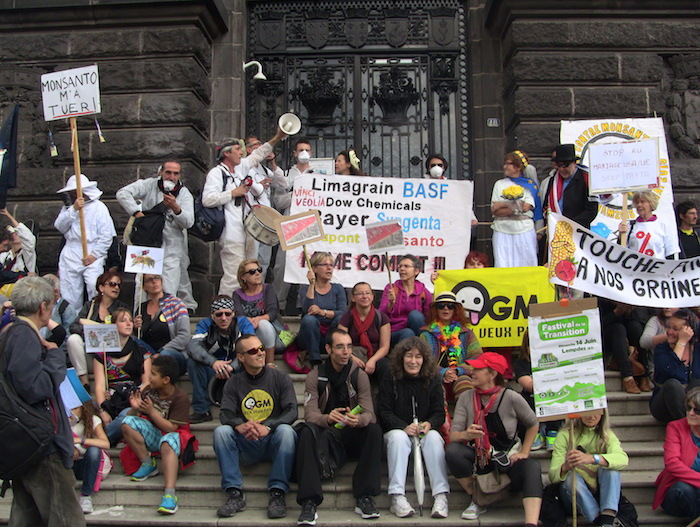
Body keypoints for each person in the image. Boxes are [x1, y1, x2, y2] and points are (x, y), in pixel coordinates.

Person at [5, 276, 86, 526]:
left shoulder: (9, 333)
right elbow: (36, 387)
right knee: (65, 518)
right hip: (41, 445)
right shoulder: (24, 336)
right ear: (43, 307)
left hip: (24, 442)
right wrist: (53, 356)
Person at [295, 329, 382, 525]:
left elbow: (369, 413)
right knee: (306, 431)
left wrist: (357, 420)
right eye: (340, 347)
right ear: (328, 349)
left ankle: (364, 496)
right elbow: (310, 414)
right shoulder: (315, 376)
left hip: (349, 433)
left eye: (349, 347)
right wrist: (327, 418)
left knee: (374, 431)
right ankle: (309, 501)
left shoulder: (358, 375)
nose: (345, 352)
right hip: (325, 433)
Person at [445, 352, 542, 524]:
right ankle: (478, 499)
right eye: (472, 368)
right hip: (480, 457)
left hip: (506, 458)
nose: (472, 372)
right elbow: (453, 436)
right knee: (453, 451)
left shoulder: (511, 397)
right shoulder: (467, 397)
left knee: (532, 467)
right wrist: (466, 434)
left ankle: (531, 522)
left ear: (492, 374)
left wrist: (525, 452)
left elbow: (533, 423)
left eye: (478, 369)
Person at [213, 334, 297, 519]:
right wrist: (239, 425)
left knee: (287, 431)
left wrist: (268, 426)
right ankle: (234, 493)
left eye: (261, 348)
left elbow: (292, 412)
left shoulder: (281, 378)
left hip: (272, 440)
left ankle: (277, 492)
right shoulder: (233, 382)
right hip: (247, 441)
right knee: (221, 432)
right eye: (253, 351)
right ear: (241, 358)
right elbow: (225, 413)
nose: (260, 353)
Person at [203, 129, 286, 296]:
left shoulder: (239, 169)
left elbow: (258, 155)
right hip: (231, 233)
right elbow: (208, 199)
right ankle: (224, 312)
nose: (241, 152)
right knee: (233, 276)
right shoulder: (217, 173)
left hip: (248, 232)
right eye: (237, 149)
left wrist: (278, 137)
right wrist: (233, 193)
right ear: (227, 154)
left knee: (250, 275)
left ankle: (245, 310)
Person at [378, 337, 450, 519]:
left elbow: (439, 412)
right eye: (409, 356)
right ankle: (397, 496)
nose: (413, 361)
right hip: (398, 430)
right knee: (398, 438)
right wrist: (402, 427)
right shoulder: (390, 378)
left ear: (424, 359)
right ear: (401, 358)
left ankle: (440, 496)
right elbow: (384, 411)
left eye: (418, 357)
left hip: (423, 430)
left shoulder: (433, 379)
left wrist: (430, 424)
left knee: (434, 438)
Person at [116, 161, 197, 312]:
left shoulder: (184, 194)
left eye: (175, 173)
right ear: (161, 172)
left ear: (179, 175)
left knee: (168, 286)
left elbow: (189, 222)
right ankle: (139, 324)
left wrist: (175, 207)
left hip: (171, 247)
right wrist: (136, 213)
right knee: (142, 285)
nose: (171, 176)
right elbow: (122, 193)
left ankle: (164, 324)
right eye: (168, 172)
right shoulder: (149, 185)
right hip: (147, 243)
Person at [121, 355, 192, 515]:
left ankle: (169, 494)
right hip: (154, 434)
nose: (149, 378)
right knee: (127, 422)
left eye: (153, 374)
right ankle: (148, 463)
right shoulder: (149, 390)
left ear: (166, 379)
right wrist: (135, 408)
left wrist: (152, 412)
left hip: (172, 437)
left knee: (167, 440)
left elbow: (172, 429)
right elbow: (136, 417)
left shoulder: (180, 398)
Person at [549, 410, 629, 526]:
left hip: (600, 493)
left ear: (602, 413)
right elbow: (552, 475)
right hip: (572, 497)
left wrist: (593, 458)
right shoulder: (565, 435)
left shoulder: (607, 434)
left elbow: (623, 459)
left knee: (611, 470)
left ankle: (607, 519)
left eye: (596, 412)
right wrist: (565, 467)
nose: (591, 416)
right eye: (587, 412)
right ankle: (599, 521)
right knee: (571, 479)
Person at [187, 295, 253, 424]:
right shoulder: (205, 324)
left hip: (237, 368)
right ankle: (202, 410)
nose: (223, 318)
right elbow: (193, 347)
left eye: (227, 314)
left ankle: (244, 408)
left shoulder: (243, 323)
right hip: (213, 368)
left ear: (233, 313)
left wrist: (232, 366)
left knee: (251, 357)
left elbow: (251, 346)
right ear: (212, 315)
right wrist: (214, 363)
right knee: (192, 361)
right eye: (219, 315)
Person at [54, 174, 116, 312]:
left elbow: (106, 235)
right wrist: (74, 210)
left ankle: (93, 316)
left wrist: (94, 255)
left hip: (92, 250)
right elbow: (60, 226)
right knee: (70, 291)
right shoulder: (68, 209)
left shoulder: (99, 207)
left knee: (94, 285)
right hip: (71, 250)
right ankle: (71, 323)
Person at [93, 307, 152, 446]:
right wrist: (103, 410)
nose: (128, 324)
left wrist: (135, 399)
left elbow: (146, 383)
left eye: (130, 320)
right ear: (113, 325)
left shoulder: (143, 352)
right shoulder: (102, 354)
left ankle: (102, 440)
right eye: (123, 320)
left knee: (124, 418)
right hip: (109, 398)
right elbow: (100, 385)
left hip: (131, 398)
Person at [271, 138, 314, 313]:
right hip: (289, 224)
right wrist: (296, 192)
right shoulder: (287, 175)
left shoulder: (318, 174)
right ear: (295, 153)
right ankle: (278, 305)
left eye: (307, 150)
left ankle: (302, 304)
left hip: (310, 225)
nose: (304, 152)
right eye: (300, 149)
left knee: (308, 265)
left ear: (311, 153)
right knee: (282, 265)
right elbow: (278, 202)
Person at [66, 271, 129, 387]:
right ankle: (84, 382)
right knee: (73, 339)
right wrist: (91, 333)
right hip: (92, 356)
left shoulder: (122, 308)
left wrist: (91, 324)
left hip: (111, 358)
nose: (116, 287)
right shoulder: (90, 306)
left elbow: (124, 332)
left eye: (118, 285)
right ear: (101, 287)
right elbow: (73, 327)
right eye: (112, 284)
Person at [420, 291, 482, 400]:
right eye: (441, 306)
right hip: (435, 376)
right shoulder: (426, 334)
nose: (445, 309)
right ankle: (443, 417)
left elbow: (477, 358)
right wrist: (443, 372)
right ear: (435, 310)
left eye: (450, 306)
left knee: (465, 384)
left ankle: (466, 416)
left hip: (461, 376)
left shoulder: (467, 333)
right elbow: (423, 361)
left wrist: (458, 370)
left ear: (455, 310)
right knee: (434, 387)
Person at [653, 386, 700, 519]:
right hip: (677, 492)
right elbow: (672, 464)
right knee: (683, 488)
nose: (690, 413)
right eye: (688, 408)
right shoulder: (676, 427)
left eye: (697, 411)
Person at [513, 329, 561, 451]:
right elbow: (528, 385)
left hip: (551, 399)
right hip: (531, 399)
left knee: (557, 398)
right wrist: (549, 381)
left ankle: (552, 432)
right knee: (523, 402)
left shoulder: (556, 362)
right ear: (526, 348)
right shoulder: (521, 363)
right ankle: (536, 433)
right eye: (533, 346)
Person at [134, 274, 190, 375]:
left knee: (164, 356)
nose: (154, 281)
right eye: (149, 280)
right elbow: (138, 339)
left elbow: (184, 337)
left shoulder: (176, 304)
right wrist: (135, 328)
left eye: (157, 278)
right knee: (131, 339)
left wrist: (161, 352)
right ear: (143, 286)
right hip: (149, 353)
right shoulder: (141, 309)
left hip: (172, 353)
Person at [651, 309, 700, 423]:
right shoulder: (661, 349)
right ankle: (689, 427)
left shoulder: (697, 349)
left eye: (675, 329)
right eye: (669, 327)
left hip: (692, 405)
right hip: (664, 405)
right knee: (672, 385)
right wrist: (681, 342)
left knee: (697, 383)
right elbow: (670, 370)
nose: (670, 332)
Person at [297, 251, 346, 366]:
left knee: (341, 318)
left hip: (329, 336)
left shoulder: (338, 288)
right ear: (314, 269)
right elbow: (306, 311)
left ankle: (334, 353)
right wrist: (312, 284)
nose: (329, 268)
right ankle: (315, 360)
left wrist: (322, 312)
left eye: (331, 265)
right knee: (309, 320)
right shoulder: (306, 288)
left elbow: (343, 312)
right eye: (324, 265)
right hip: (310, 336)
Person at [490, 151, 538, 267]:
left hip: (524, 231)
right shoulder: (499, 184)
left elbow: (526, 207)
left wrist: (503, 204)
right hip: (502, 231)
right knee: (503, 265)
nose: (504, 167)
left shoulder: (529, 186)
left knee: (526, 264)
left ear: (518, 167)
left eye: (508, 164)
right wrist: (517, 206)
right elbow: (495, 210)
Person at [233, 259, 284, 366]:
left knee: (263, 324)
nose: (257, 273)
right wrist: (250, 321)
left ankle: (270, 363)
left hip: (272, 332)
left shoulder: (268, 288)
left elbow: (273, 312)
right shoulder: (237, 294)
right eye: (252, 272)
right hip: (247, 330)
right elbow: (238, 314)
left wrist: (258, 319)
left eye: (259, 270)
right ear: (243, 277)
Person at [338, 281, 391, 381]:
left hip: (375, 357)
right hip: (353, 356)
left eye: (367, 293)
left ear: (372, 296)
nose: (364, 296)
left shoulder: (382, 318)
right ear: (353, 298)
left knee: (387, 367)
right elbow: (340, 343)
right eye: (360, 293)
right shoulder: (346, 318)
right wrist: (353, 358)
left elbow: (384, 346)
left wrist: (373, 361)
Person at [245, 135, 282, 277]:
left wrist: (272, 162)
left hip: (267, 218)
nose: (260, 146)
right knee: (251, 258)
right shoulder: (244, 166)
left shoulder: (265, 170)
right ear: (248, 149)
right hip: (252, 217)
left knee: (264, 260)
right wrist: (258, 186)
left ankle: (260, 290)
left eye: (261, 143)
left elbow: (283, 184)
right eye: (256, 144)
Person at [540, 144, 598, 229]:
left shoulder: (586, 179)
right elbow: (546, 205)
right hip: (556, 230)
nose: (562, 169)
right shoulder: (552, 180)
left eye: (565, 165)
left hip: (577, 231)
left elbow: (591, 211)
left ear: (574, 163)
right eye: (559, 165)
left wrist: (570, 225)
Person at [379, 254, 432, 346]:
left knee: (415, 316)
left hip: (416, 332)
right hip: (394, 333)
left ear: (416, 271)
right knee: (407, 333)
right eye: (400, 267)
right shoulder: (391, 288)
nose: (402, 269)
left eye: (406, 266)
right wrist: (390, 304)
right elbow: (380, 315)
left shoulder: (424, 292)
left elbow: (429, 317)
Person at [600, 299, 649, 394]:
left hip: (626, 334)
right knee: (618, 329)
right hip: (607, 334)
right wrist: (615, 313)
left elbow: (642, 319)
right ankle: (628, 377)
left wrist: (629, 312)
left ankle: (644, 375)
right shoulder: (600, 299)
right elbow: (597, 324)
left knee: (636, 328)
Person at [70, 400, 111, 515]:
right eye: (69, 408)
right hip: (69, 464)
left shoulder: (93, 420)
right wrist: (71, 448)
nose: (71, 412)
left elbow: (106, 444)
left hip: (87, 465)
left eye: (75, 408)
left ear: (83, 408)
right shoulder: (62, 421)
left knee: (94, 451)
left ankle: (85, 496)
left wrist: (81, 440)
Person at [619, 190, 678, 259]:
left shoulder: (663, 226)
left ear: (651, 203)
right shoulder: (630, 225)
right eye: (637, 202)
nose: (639, 205)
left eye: (642, 202)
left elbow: (671, 252)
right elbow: (622, 251)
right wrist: (621, 235)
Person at [41, 273, 78, 345]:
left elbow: (68, 338)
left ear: (56, 292)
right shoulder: (38, 304)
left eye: (44, 292)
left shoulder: (66, 308)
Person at [0, 207, 36, 274]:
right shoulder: (5, 255)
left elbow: (28, 238)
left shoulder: (27, 252)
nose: (15, 235)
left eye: (17, 234)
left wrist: (10, 217)